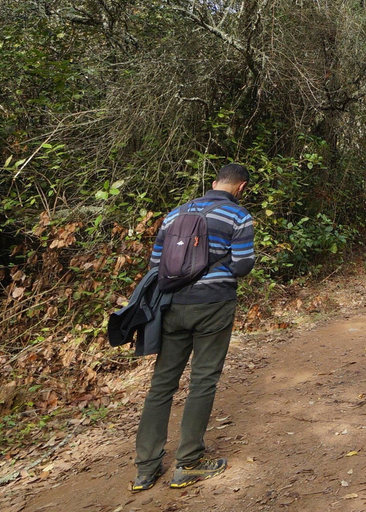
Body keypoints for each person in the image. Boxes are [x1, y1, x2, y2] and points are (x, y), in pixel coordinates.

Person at [131, 163, 256, 492]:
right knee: (202, 380)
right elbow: (243, 265)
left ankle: (145, 469)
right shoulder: (238, 216)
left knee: (162, 384)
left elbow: (157, 264)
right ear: (241, 187)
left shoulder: (175, 213)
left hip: (172, 306)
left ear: (215, 183)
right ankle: (188, 463)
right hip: (213, 305)